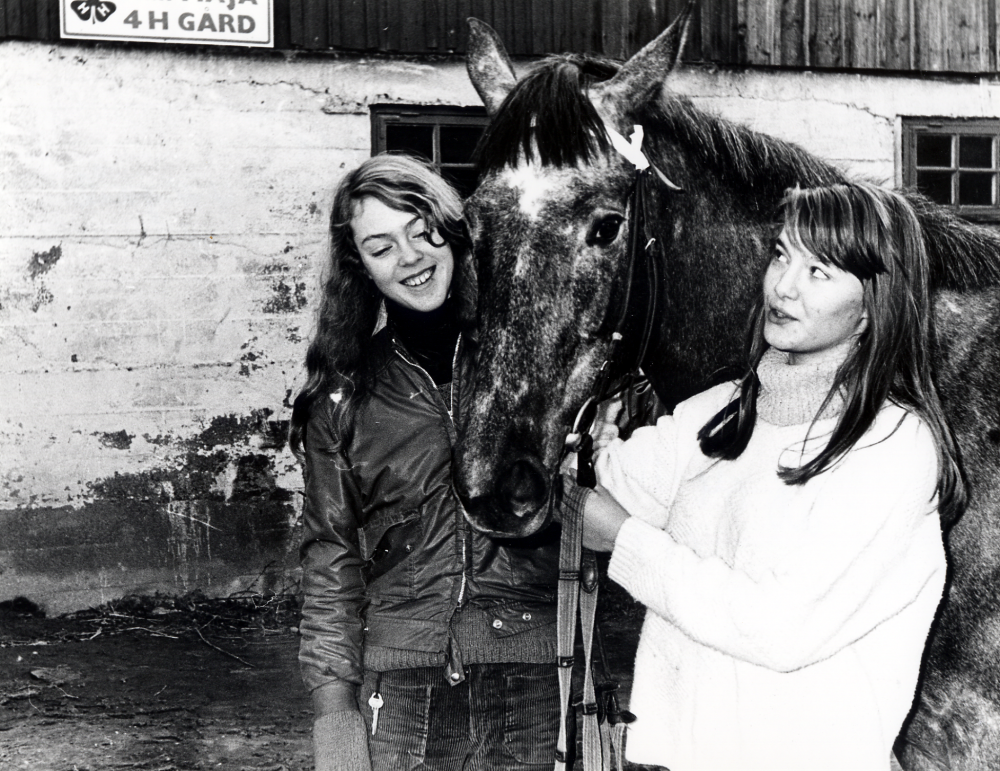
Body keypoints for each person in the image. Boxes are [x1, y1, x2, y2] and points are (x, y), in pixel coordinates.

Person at [565, 182, 966, 771]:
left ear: (872, 305)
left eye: (820, 271)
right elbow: (597, 489)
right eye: (781, 254)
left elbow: (780, 628)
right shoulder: (723, 409)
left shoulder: (892, 446)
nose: (783, 285)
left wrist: (625, 540)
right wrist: (589, 430)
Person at [289, 154, 563, 771]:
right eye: (381, 246)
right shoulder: (343, 395)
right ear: (359, 267)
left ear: (454, 227)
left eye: (421, 229)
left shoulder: (532, 368)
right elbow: (330, 559)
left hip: (535, 664)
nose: (409, 257)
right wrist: (336, 724)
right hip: (402, 676)